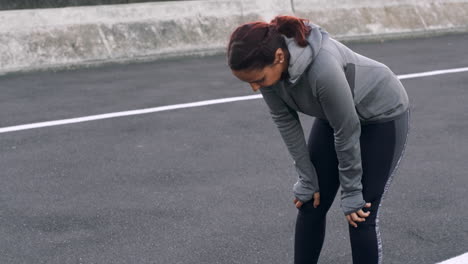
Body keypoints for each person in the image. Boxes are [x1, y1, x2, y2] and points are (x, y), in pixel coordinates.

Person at [227, 15, 410, 264]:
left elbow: (347, 131)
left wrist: (352, 190)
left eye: (258, 80)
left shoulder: (322, 70)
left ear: (279, 57)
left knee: (360, 214)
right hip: (335, 115)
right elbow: (285, 121)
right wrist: (306, 178)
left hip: (381, 116)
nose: (256, 88)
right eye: (250, 82)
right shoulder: (267, 70)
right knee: (310, 203)